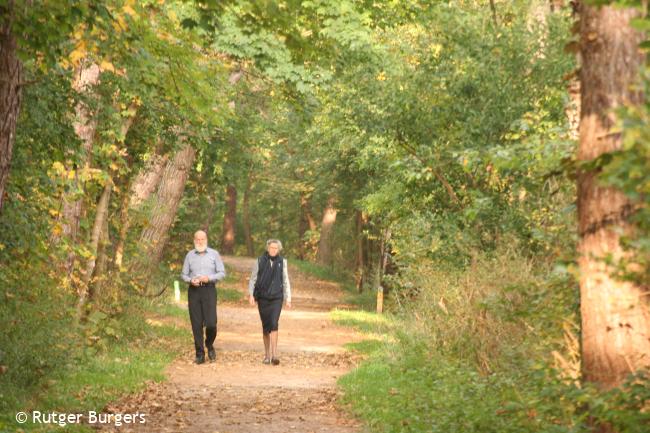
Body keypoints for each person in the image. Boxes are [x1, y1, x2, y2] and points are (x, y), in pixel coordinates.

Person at [181, 230, 226, 364]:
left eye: (202, 239)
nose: (200, 241)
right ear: (194, 240)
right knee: (196, 323)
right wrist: (190, 280)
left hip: (209, 290)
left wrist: (209, 278)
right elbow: (183, 274)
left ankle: (209, 344)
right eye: (197, 239)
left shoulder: (214, 254)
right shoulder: (189, 255)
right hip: (194, 291)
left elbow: (222, 273)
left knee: (211, 323)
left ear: (206, 240)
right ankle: (199, 353)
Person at [248, 239, 292, 365]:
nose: (273, 250)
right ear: (268, 248)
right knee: (266, 326)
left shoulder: (282, 262)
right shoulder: (259, 261)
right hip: (263, 297)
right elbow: (253, 279)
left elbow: (285, 280)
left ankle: (274, 355)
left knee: (274, 323)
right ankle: (267, 355)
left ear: (279, 249)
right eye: (271, 248)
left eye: (276, 248)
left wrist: (288, 298)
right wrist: (251, 294)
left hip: (277, 297)